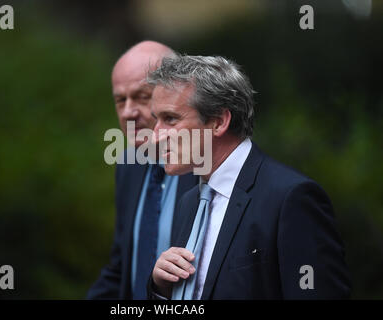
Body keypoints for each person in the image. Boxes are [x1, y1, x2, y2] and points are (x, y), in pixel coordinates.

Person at [147, 54, 351, 299]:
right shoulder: (189, 202)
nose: (156, 136)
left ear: (219, 122)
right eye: (156, 120)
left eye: (170, 119)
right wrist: (161, 289)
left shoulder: (291, 198)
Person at [86, 42, 198, 299]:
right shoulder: (129, 166)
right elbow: (121, 270)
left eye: (142, 97)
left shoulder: (207, 167)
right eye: (120, 100)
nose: (127, 112)